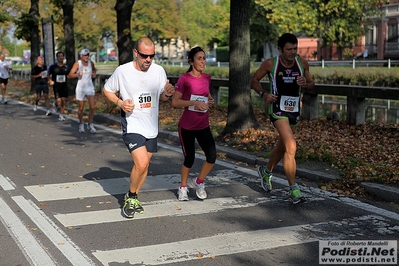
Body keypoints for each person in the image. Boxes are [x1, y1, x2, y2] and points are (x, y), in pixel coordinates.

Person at [102, 36, 175, 218]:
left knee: (145, 166)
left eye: (151, 56)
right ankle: (131, 197)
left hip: (151, 126)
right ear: (136, 53)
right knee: (141, 162)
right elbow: (107, 90)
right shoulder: (123, 71)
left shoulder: (158, 71)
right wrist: (120, 103)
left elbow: (163, 97)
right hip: (132, 123)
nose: (148, 60)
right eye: (144, 56)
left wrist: (167, 94)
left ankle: (132, 195)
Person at [250, 33, 314, 204]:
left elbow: (311, 84)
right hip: (277, 109)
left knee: (282, 146)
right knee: (291, 146)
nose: (293, 52)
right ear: (280, 49)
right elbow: (254, 80)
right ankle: (293, 189)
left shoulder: (302, 63)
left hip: (293, 109)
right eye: (289, 49)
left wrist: (305, 84)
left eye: (295, 48)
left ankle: (266, 170)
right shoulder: (271, 64)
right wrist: (263, 94)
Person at [171, 46, 216, 201]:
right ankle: (183, 187)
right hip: (187, 126)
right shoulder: (185, 79)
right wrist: (193, 102)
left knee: (212, 156)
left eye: (204, 58)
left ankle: (199, 181)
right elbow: (175, 102)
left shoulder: (207, 77)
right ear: (191, 61)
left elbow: (205, 94)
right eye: (199, 58)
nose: (203, 61)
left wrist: (209, 100)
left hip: (203, 124)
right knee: (189, 159)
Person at [67, 48, 97, 133]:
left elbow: (94, 70)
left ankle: (90, 124)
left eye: (87, 55)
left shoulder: (91, 63)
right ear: (81, 56)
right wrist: (77, 74)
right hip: (81, 88)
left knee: (92, 106)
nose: (86, 57)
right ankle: (81, 124)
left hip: (89, 87)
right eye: (84, 55)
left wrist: (94, 74)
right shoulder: (78, 64)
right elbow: (69, 75)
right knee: (81, 107)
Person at [48, 51, 69, 121]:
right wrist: (50, 80)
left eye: (62, 56)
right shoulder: (53, 67)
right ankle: (55, 104)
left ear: (63, 57)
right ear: (57, 58)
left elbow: (69, 75)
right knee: (59, 101)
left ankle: (61, 115)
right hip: (56, 86)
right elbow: (48, 74)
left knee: (64, 100)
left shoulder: (66, 66)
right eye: (59, 56)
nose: (60, 57)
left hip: (64, 85)